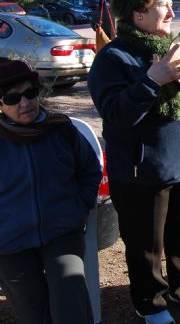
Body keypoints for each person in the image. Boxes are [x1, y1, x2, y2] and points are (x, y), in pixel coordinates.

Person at [88, 0, 180, 324]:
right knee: (146, 245)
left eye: (171, 5)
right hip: (139, 171)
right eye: (164, 5)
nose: (173, 14)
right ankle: (149, 303)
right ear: (138, 13)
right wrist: (151, 80)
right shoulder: (112, 59)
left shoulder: (178, 48)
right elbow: (116, 114)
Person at [0, 60, 101, 324]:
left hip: (61, 231)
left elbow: (90, 169)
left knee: (71, 305)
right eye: (12, 98)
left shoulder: (61, 129)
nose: (24, 103)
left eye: (29, 93)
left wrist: (78, 208)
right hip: (10, 242)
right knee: (33, 312)